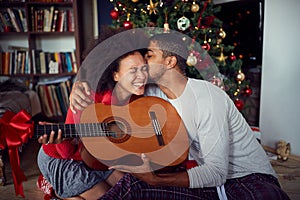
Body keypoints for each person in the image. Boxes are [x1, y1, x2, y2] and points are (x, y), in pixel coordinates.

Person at [70, 31, 290, 200]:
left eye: (149, 56)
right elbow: (113, 89)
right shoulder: (152, 93)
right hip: (216, 186)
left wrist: (155, 180)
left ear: (170, 62)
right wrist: (78, 86)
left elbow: (216, 173)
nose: (142, 64)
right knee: (132, 186)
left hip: (249, 181)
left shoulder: (206, 97)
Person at [37, 27, 149, 199]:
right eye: (133, 70)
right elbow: (66, 152)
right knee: (107, 196)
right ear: (115, 75)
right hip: (62, 158)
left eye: (144, 68)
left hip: (97, 161)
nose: (142, 76)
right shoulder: (86, 97)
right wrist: (63, 138)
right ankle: (54, 187)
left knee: (133, 191)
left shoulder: (136, 98)